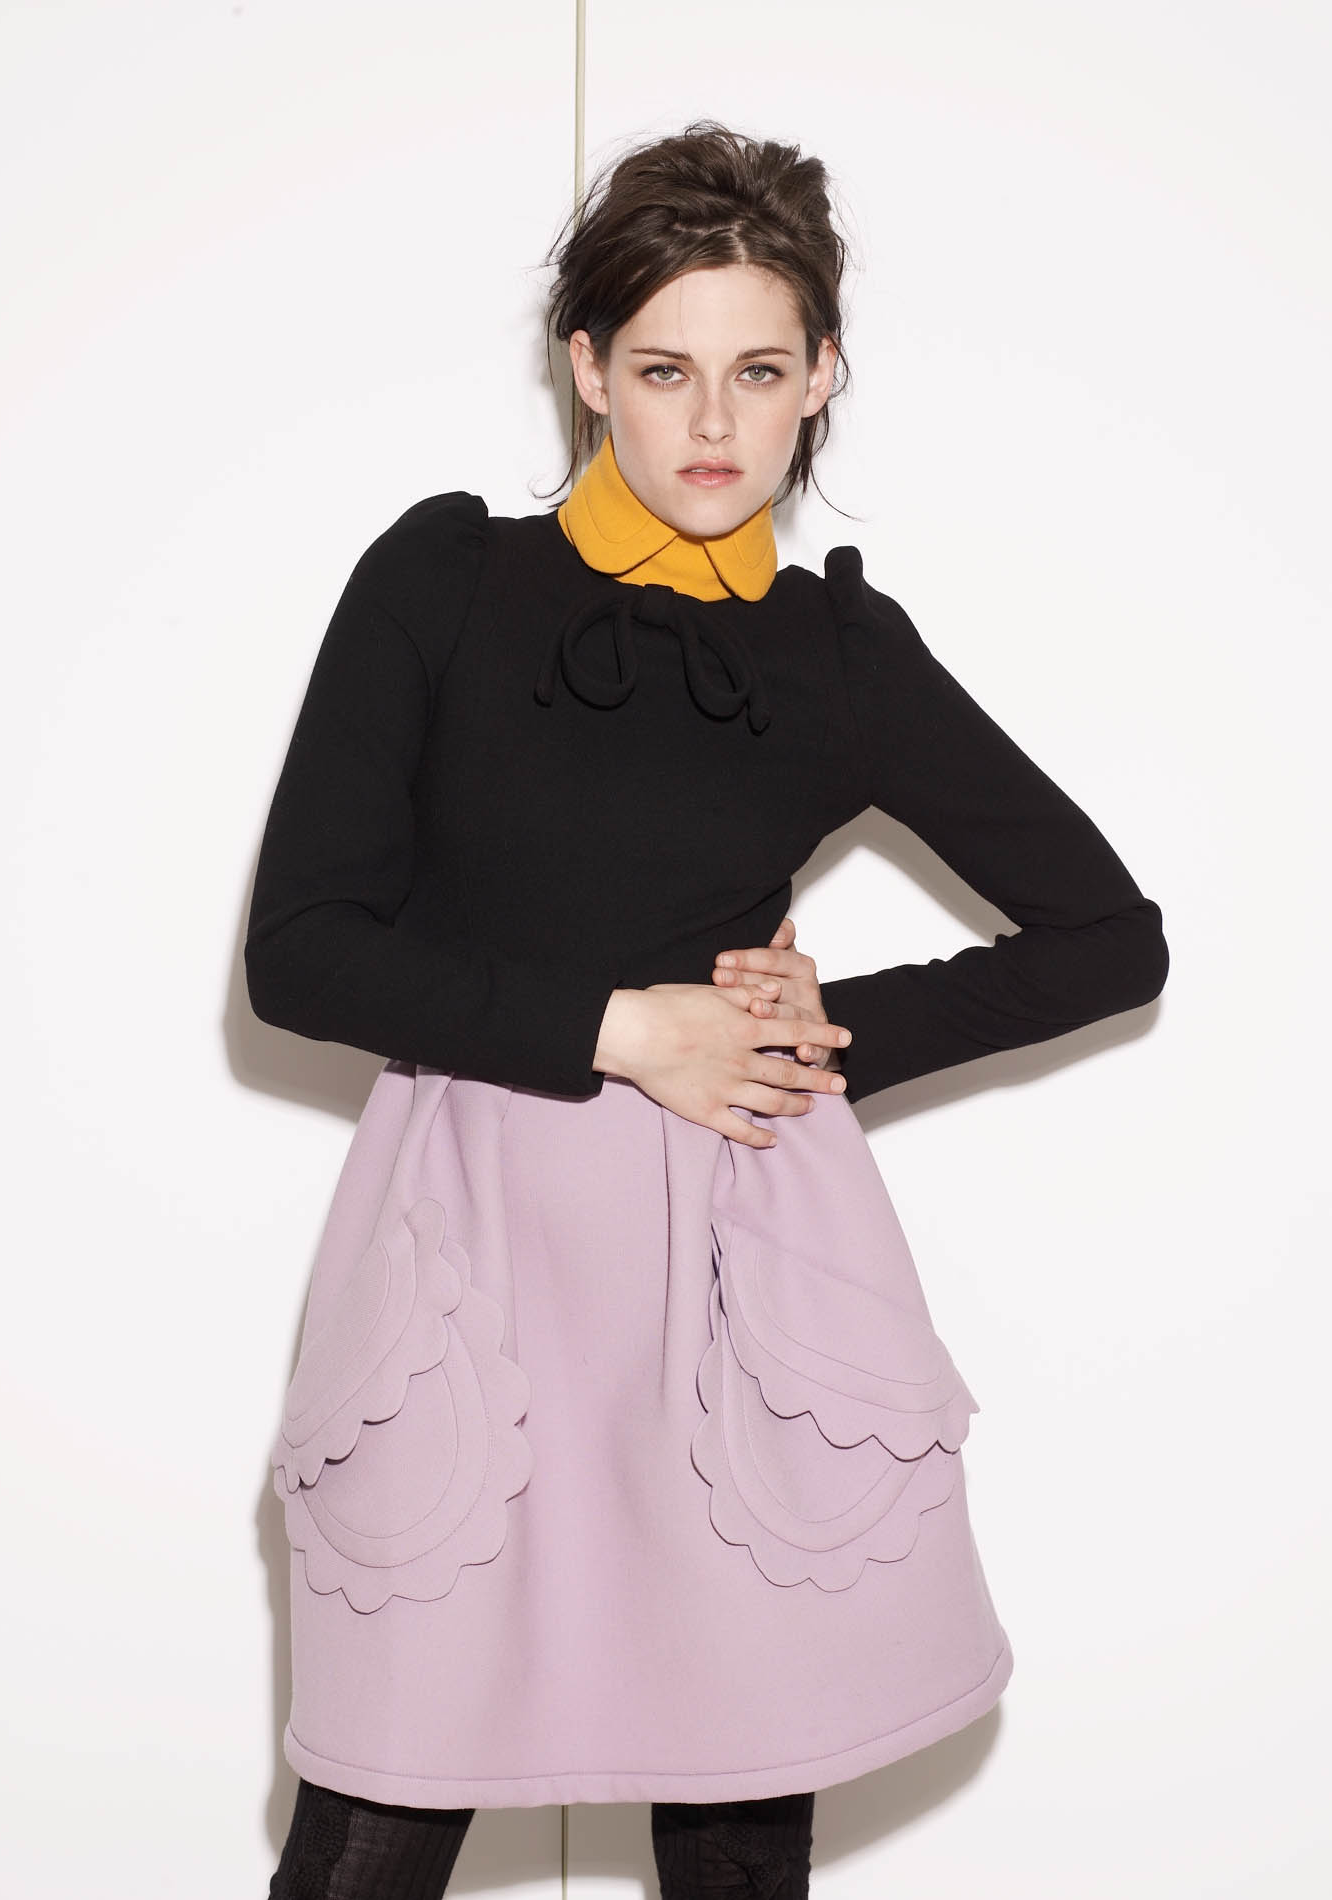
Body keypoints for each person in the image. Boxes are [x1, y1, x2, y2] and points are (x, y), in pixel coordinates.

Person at [248, 120, 1169, 1900]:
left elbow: (1107, 938)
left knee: (739, 1820)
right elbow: (304, 951)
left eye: (759, 371)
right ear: (589, 368)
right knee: (378, 1822)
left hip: (736, 1263)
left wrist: (821, 1033)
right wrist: (622, 1028)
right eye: (667, 370)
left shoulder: (837, 655)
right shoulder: (444, 582)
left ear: (822, 374)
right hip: (467, 1243)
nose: (715, 424)